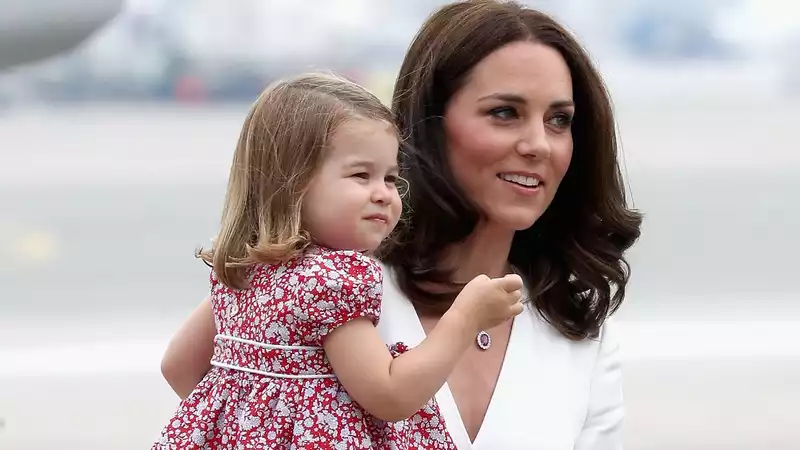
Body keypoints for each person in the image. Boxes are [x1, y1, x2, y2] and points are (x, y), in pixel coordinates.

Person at [160, 1, 643, 448]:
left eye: (560, 120)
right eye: (504, 113)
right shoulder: (327, 278)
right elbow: (196, 378)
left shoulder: (580, 330)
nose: (539, 144)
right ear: (430, 124)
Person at [153, 71, 525, 449]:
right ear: (292, 183)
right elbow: (391, 394)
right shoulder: (333, 280)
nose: (383, 193)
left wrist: (252, 424)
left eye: (392, 179)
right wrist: (465, 319)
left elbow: (179, 367)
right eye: (361, 175)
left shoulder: (244, 268)